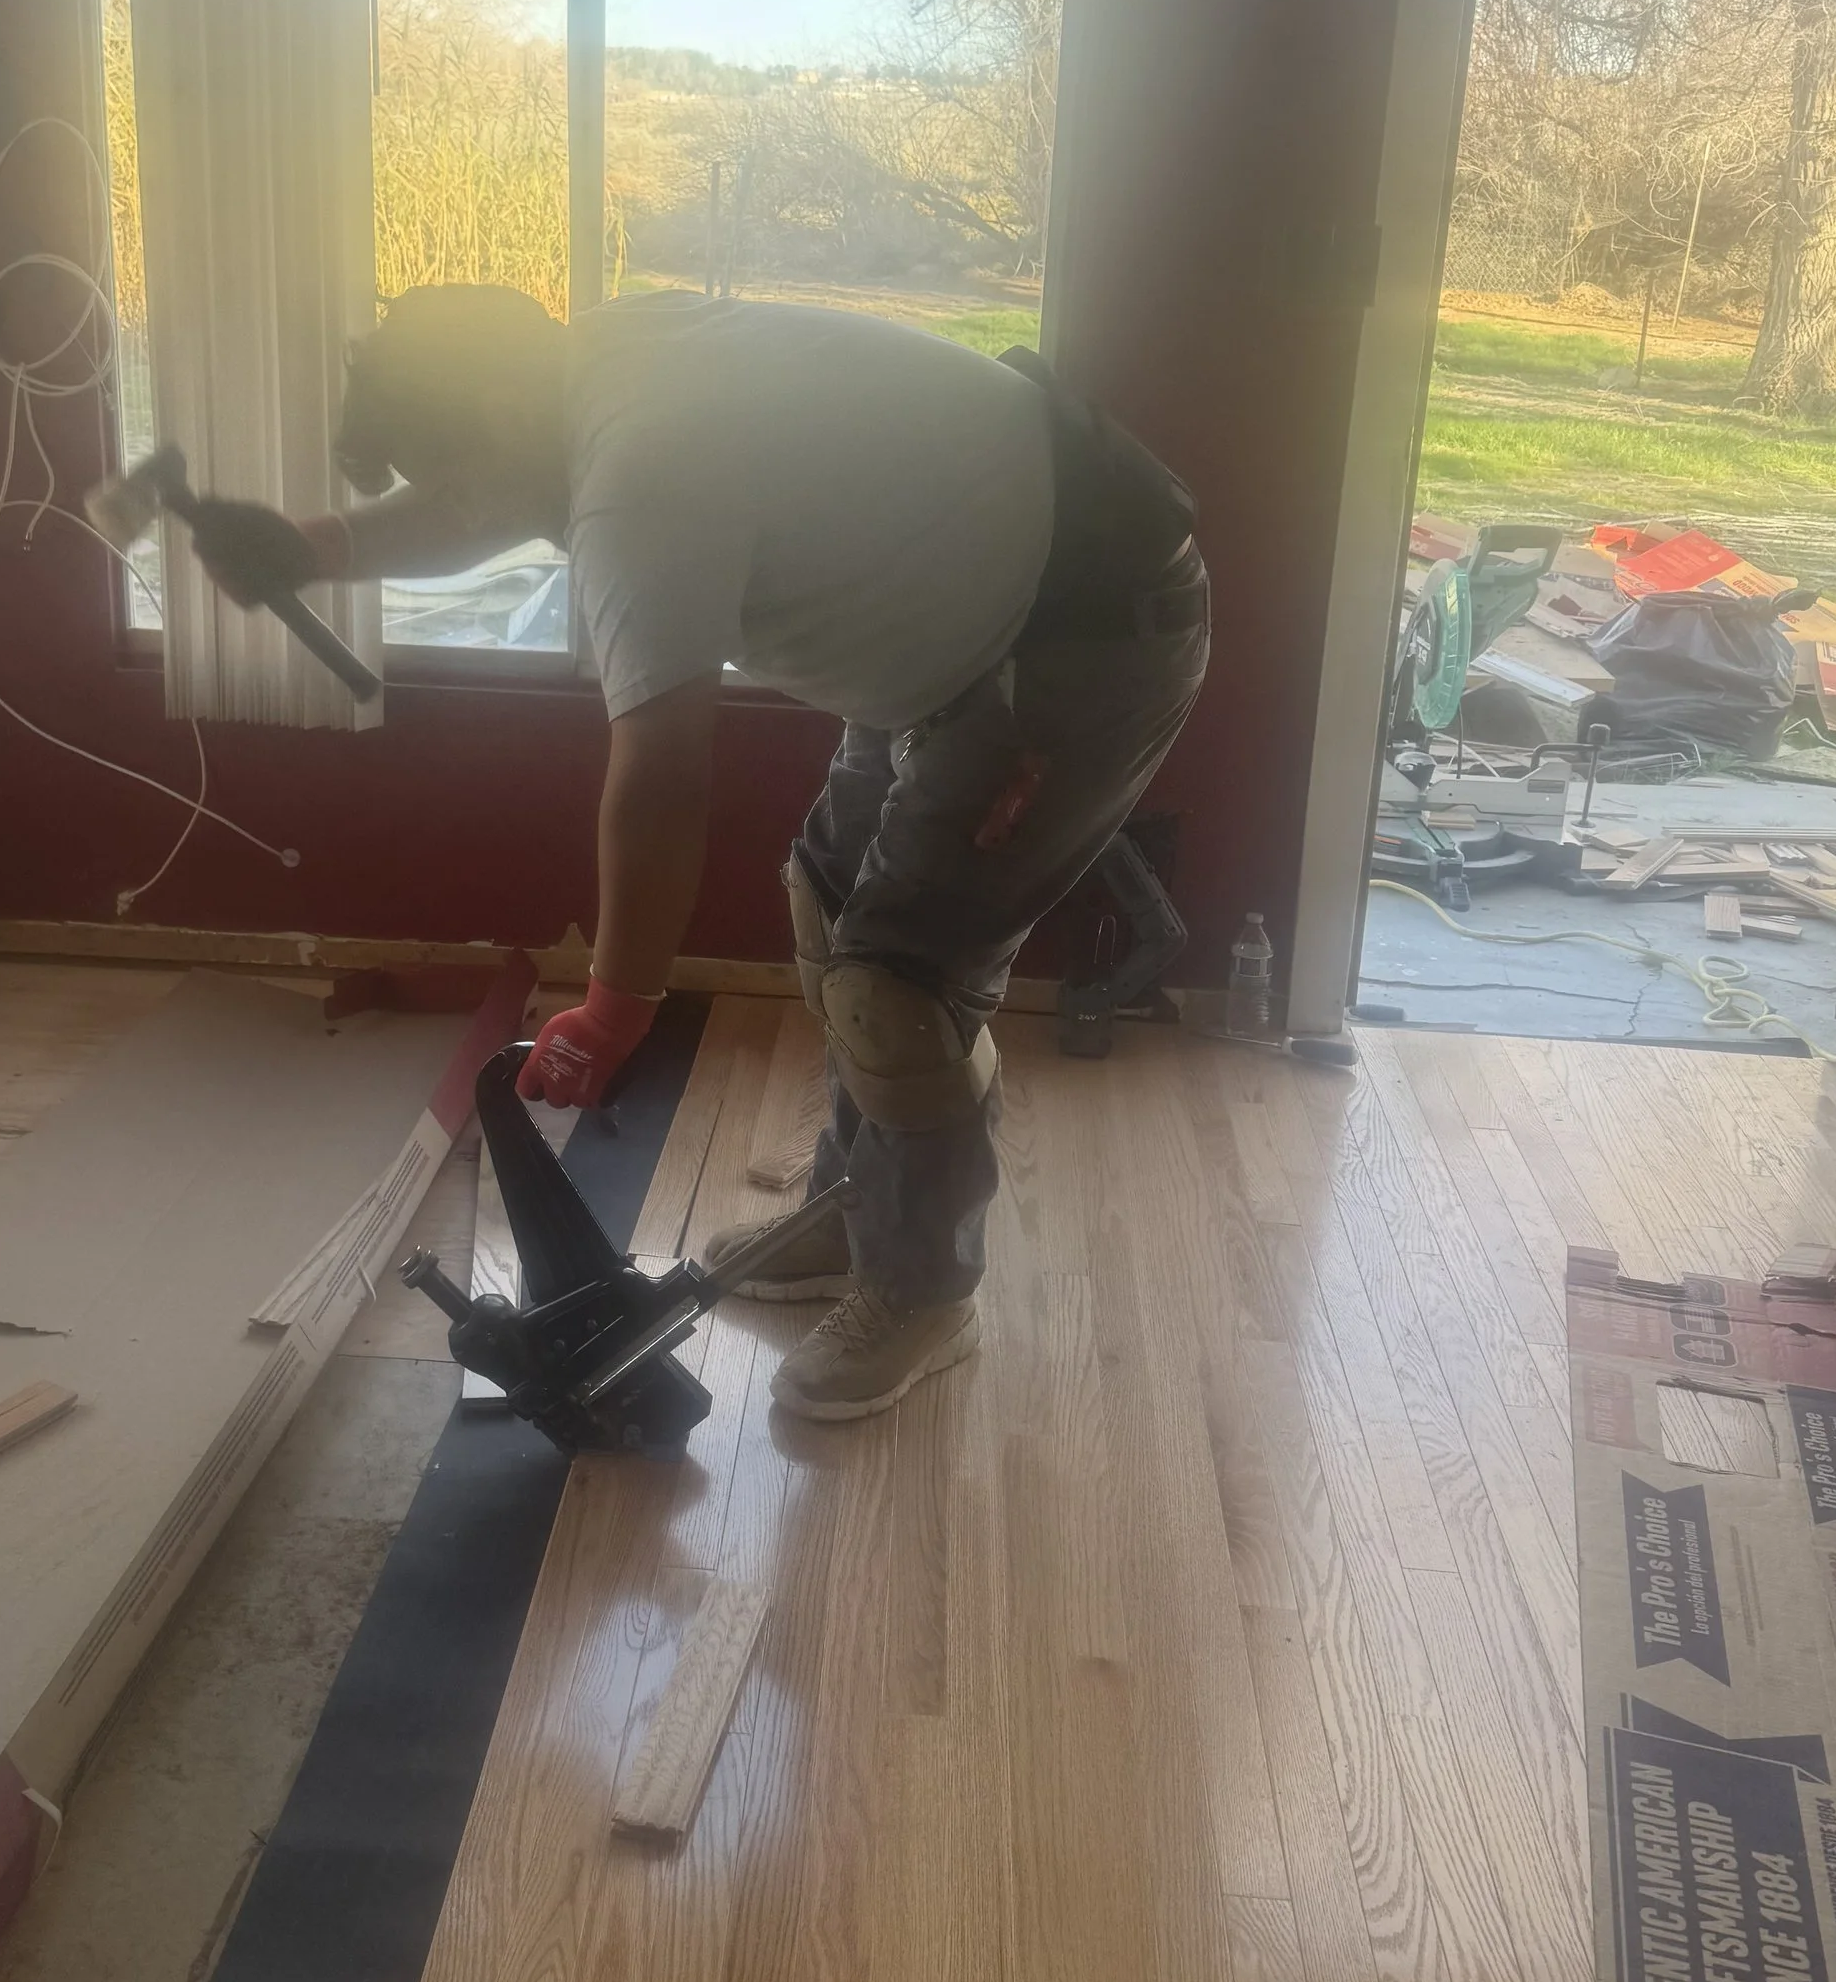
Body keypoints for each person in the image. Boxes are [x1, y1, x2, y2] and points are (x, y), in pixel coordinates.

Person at [188, 283, 1207, 1424]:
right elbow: (501, 493)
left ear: (493, 399)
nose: (462, 504)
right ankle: (849, 1215)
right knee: (833, 920)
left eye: (452, 467)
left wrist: (618, 1007)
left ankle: (926, 1292)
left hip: (1076, 642)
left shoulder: (641, 476)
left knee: (897, 988)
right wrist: (312, 548)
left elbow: (663, 782)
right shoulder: (589, 371)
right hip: (965, 615)